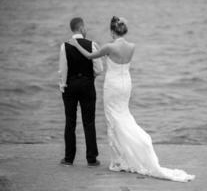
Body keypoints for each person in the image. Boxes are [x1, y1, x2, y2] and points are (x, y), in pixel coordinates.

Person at [68, 16, 195, 182]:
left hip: (113, 86)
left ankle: (119, 160)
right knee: (124, 115)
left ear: (113, 31)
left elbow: (89, 56)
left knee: (113, 120)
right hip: (126, 84)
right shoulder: (132, 47)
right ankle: (130, 152)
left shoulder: (108, 47)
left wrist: (76, 44)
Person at [59, 17, 103, 167]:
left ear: (72, 29)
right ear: (82, 28)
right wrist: (89, 78)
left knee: (70, 122)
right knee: (89, 122)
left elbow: (63, 70)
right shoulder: (91, 45)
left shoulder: (64, 46)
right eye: (85, 27)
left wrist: (63, 86)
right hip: (87, 86)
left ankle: (69, 158)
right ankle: (91, 159)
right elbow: (99, 69)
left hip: (70, 86)